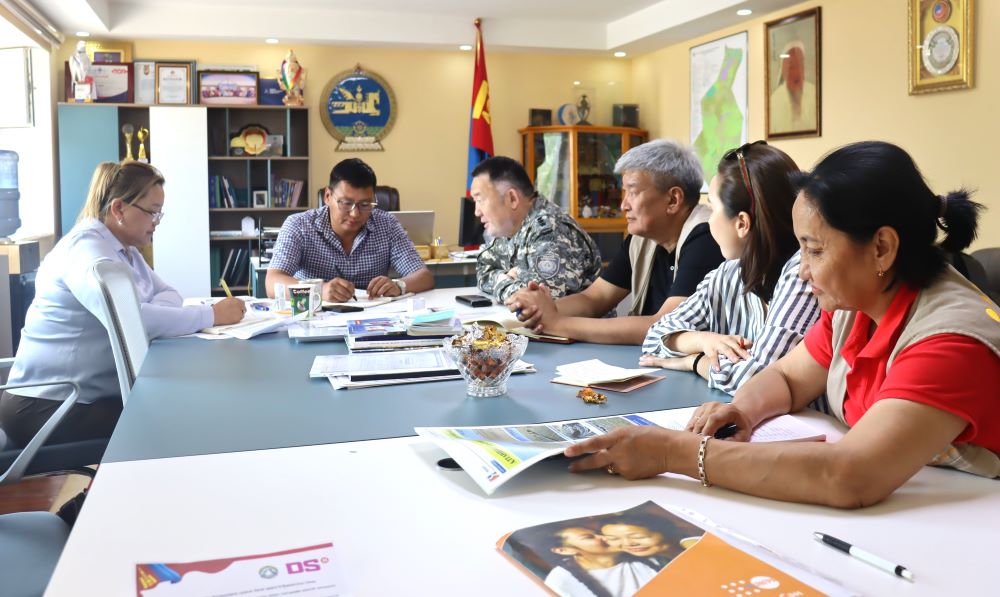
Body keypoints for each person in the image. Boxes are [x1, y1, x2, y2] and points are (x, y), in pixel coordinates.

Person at [565, 141, 1000, 508]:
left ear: (882, 248)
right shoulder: (854, 307)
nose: (802, 270)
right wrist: (743, 411)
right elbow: (788, 378)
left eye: (814, 250)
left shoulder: (949, 340)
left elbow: (850, 475)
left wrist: (672, 453)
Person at [0, 161, 246, 448]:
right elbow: (129, 320)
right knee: (175, 417)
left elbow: (168, 293)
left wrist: (149, 309)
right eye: (152, 211)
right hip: (44, 406)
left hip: (81, 397)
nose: (157, 221)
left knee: (179, 405)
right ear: (119, 209)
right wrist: (210, 315)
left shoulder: (126, 251)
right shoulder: (86, 251)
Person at [639, 141, 820, 393]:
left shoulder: (803, 273)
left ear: (742, 223)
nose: (709, 221)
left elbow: (757, 380)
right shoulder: (729, 273)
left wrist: (694, 362)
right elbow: (654, 338)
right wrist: (703, 340)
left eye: (713, 208)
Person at [505, 139, 724, 344]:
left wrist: (558, 323)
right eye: (624, 192)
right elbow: (595, 298)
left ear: (673, 199)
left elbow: (664, 326)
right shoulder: (642, 239)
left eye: (633, 192)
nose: (623, 205)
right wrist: (540, 309)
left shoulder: (707, 237)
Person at [265, 158, 433, 302]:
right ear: (328, 196)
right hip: (317, 315)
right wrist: (319, 291)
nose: (355, 214)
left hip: (374, 317)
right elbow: (272, 283)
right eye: (346, 203)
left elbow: (424, 277)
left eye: (365, 204)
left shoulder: (387, 224)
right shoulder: (299, 225)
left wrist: (399, 285)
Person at [473, 156, 601, 302]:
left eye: (480, 200)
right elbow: (483, 270)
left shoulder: (551, 230)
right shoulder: (509, 228)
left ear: (512, 198)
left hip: (581, 318)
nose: (477, 212)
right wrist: (508, 278)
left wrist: (502, 283)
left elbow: (538, 300)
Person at [543, 526, 657, 597]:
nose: (604, 537)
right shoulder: (560, 581)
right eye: (589, 537)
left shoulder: (644, 556)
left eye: (599, 533)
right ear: (564, 550)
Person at [769, 41, 816, 134]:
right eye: (791, 67)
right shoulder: (774, 101)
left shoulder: (815, 94)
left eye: (800, 65)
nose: (796, 72)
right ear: (783, 71)